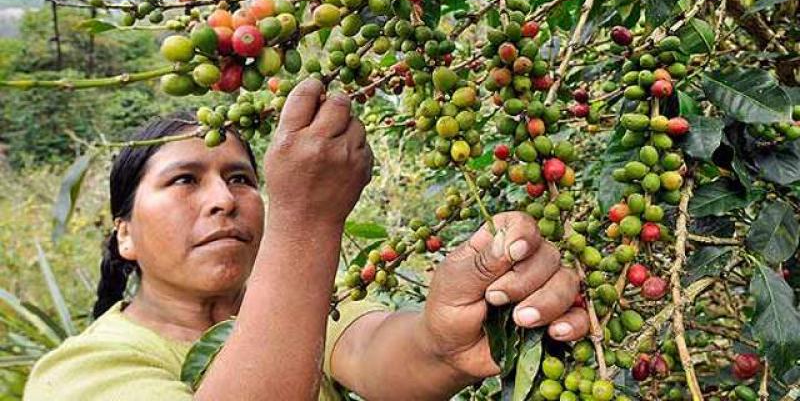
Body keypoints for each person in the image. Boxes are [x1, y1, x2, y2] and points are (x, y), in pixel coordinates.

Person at [25, 79, 588, 400]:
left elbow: (374, 352)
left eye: (242, 178)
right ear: (124, 233)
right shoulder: (76, 373)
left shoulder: (302, 309)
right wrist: (306, 221)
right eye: (184, 180)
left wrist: (445, 342)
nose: (223, 199)